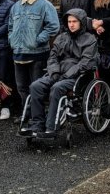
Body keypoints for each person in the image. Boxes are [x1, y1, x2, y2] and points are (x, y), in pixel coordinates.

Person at [23, 8, 98, 138]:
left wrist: (67, 75)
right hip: (57, 73)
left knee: (57, 88)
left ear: (82, 22)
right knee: (35, 86)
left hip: (76, 76)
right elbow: (52, 57)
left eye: (75, 21)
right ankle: (37, 124)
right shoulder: (61, 37)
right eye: (69, 21)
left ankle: (51, 127)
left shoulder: (90, 39)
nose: (71, 24)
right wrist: (55, 72)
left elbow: (85, 62)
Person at [8, 0, 59, 114]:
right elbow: (10, 26)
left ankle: (37, 116)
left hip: (37, 54)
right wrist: (12, 39)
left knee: (36, 87)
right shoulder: (16, 6)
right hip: (18, 53)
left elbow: (53, 26)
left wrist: (37, 40)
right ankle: (27, 114)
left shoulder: (45, 5)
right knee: (21, 87)